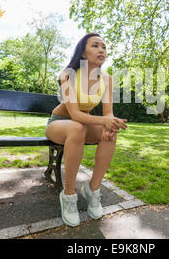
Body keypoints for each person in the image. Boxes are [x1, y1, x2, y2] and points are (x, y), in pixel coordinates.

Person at [45, 32, 128, 227]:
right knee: (77, 126)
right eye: (95, 46)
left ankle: (93, 190)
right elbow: (74, 114)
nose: (101, 50)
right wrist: (103, 121)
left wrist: (111, 122)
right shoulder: (68, 74)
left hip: (82, 125)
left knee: (110, 132)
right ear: (83, 53)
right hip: (59, 123)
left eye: (104, 47)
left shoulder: (106, 79)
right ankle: (69, 195)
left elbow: (108, 113)